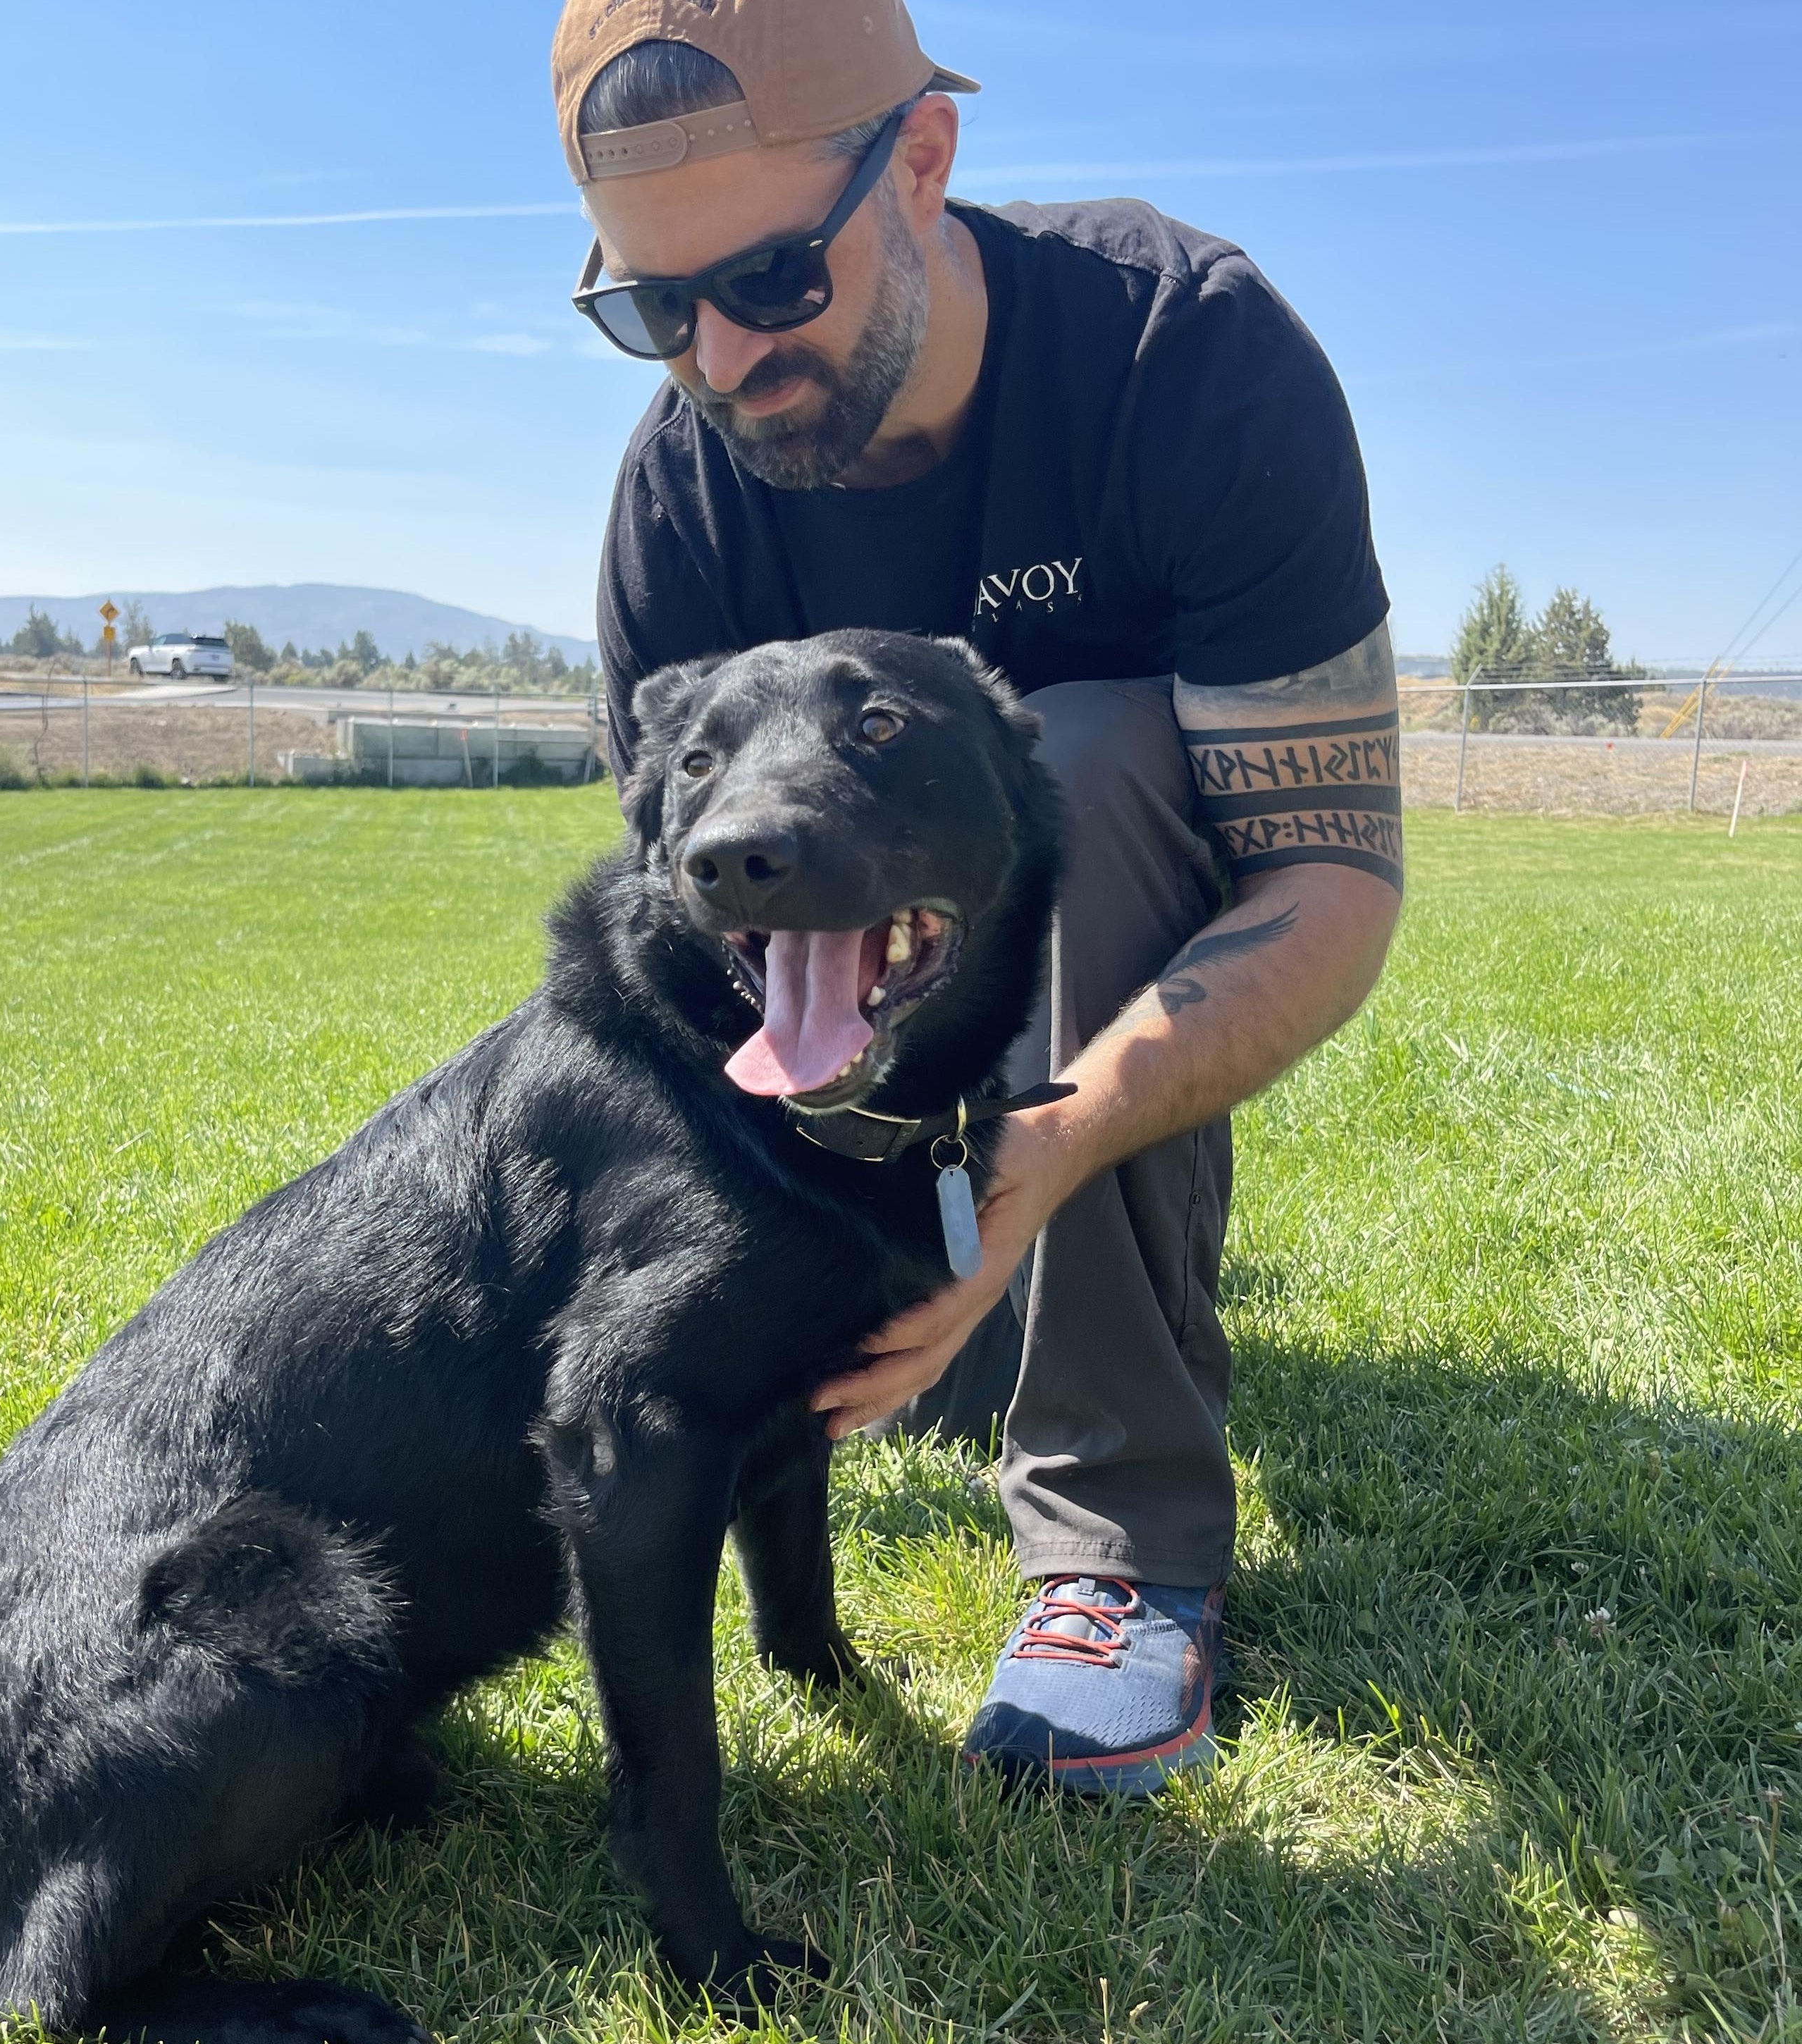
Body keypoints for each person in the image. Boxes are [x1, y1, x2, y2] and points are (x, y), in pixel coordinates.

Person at [553, 0, 1403, 1797]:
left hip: (1125, 919)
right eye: (653, 311)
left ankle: (1118, 1537)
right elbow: (671, 938)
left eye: (773, 279)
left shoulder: (1185, 357)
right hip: (885, 1063)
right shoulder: (682, 502)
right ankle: (945, 1291)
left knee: (1079, 752)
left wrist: (1058, 1146)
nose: (719, 359)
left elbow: (1329, 872)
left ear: (924, 160)